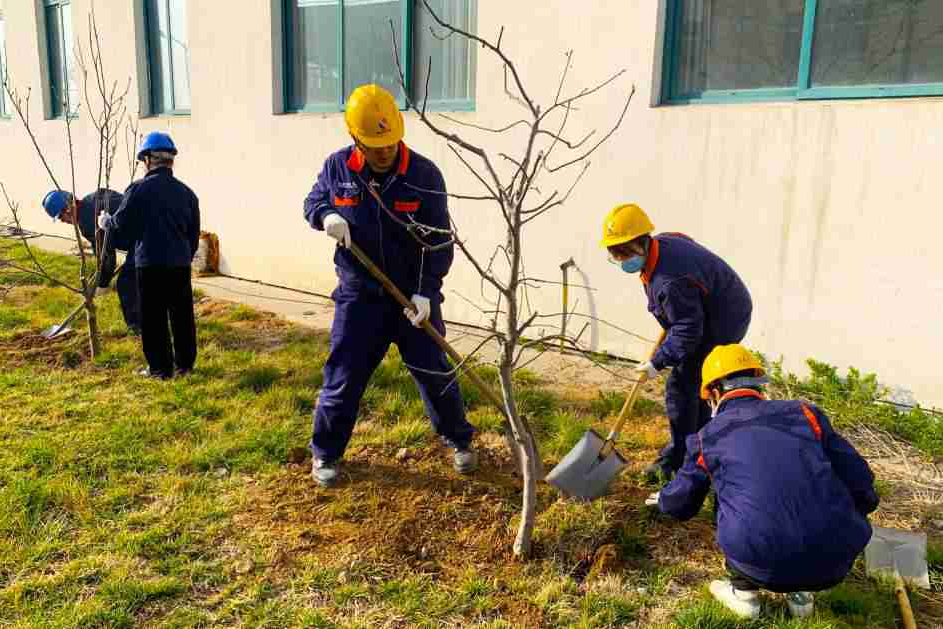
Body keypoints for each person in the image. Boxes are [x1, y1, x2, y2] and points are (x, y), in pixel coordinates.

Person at [302, 84, 476, 487]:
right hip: (358, 297)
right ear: (354, 138)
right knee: (344, 376)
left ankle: (459, 440)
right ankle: (326, 453)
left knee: (434, 372)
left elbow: (439, 240)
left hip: (410, 298)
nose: (384, 151)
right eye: (374, 145)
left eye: (390, 142)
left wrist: (426, 292)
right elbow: (313, 201)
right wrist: (325, 215)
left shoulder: (424, 175)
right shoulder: (338, 168)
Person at [647, 344, 878, 619]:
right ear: (759, 385)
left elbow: (682, 504)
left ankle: (744, 595)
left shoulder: (708, 436)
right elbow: (859, 477)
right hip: (836, 559)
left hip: (759, 560)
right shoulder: (806, 414)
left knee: (730, 495)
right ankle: (802, 596)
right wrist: (853, 514)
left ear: (715, 393)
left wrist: (663, 500)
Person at [601, 203, 752, 480]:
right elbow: (686, 242)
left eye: (625, 252)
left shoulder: (670, 281)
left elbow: (687, 330)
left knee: (682, 386)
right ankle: (699, 448)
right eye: (615, 255)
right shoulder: (663, 246)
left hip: (723, 320)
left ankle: (679, 458)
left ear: (643, 242)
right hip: (706, 309)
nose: (622, 260)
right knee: (693, 385)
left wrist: (657, 362)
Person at [100, 132, 200, 379]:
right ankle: (185, 366)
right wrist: (184, 255)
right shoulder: (187, 193)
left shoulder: (138, 189)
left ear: (147, 159)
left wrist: (106, 222)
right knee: (182, 316)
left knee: (153, 318)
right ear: (171, 161)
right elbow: (194, 234)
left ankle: (160, 369)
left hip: (150, 263)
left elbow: (122, 224)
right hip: (179, 263)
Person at [42, 188, 141, 334]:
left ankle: (138, 329)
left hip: (145, 238)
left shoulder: (88, 221)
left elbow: (106, 255)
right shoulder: (92, 201)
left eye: (62, 218)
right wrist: (98, 276)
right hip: (145, 233)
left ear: (68, 209)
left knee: (126, 283)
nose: (64, 222)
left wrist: (102, 284)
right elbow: (101, 251)